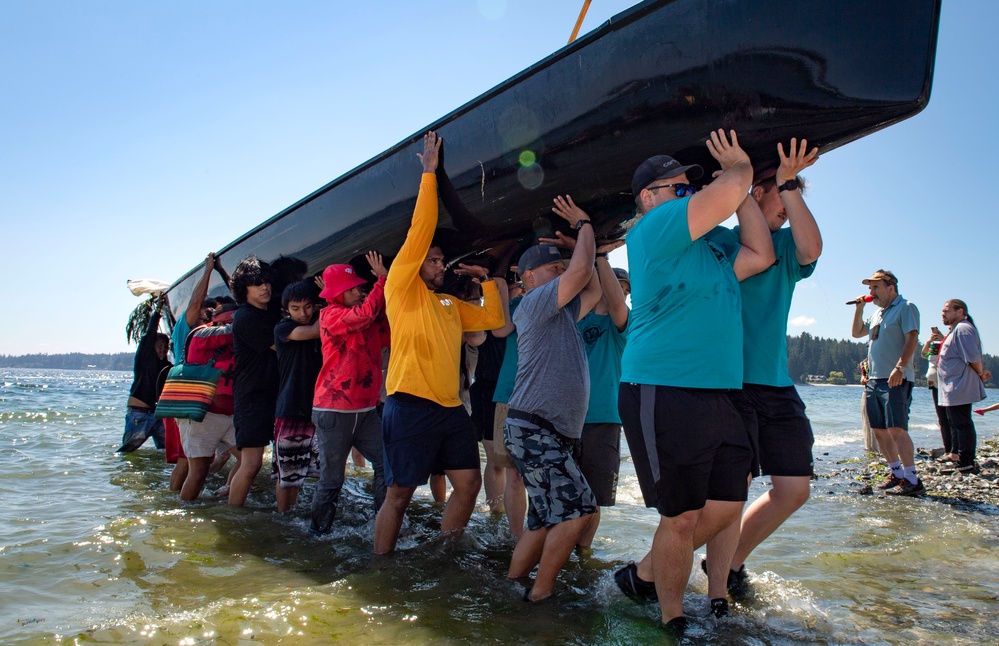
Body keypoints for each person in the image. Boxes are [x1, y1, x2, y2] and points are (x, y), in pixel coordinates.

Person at [613, 129, 775, 635]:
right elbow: (723, 194)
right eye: (678, 187)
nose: (688, 194)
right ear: (650, 197)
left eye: (691, 188)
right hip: (663, 387)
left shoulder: (713, 247)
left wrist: (743, 188)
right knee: (680, 517)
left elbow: (761, 253)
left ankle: (643, 574)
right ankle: (672, 618)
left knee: (727, 506)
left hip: (721, 391)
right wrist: (739, 170)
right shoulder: (652, 229)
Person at [373, 131, 505, 554]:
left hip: (451, 410)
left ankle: (442, 553)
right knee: (399, 494)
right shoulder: (401, 287)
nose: (439, 264)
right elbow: (421, 227)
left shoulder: (448, 302)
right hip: (408, 404)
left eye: (440, 260)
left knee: (469, 483)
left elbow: (492, 318)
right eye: (432, 259)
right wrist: (429, 174)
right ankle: (381, 565)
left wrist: (485, 280)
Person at [702, 138, 821, 600]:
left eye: (794, 200)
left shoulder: (789, 247)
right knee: (734, 490)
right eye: (782, 198)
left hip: (776, 383)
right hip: (730, 383)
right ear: (754, 192)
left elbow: (812, 248)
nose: (789, 211)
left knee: (794, 489)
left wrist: (789, 183)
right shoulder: (723, 243)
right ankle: (718, 590)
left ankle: (727, 561)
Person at [503, 194, 603, 602]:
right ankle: (539, 597)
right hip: (534, 428)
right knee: (579, 511)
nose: (561, 271)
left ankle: (510, 588)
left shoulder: (557, 309)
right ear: (527, 278)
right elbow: (580, 273)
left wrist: (595, 247)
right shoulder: (533, 302)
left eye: (560, 266)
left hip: (542, 431)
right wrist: (584, 227)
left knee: (543, 518)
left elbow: (592, 289)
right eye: (552, 267)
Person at [536, 230, 629, 551]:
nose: (619, 292)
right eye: (615, 284)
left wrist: (602, 256)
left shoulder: (621, 325)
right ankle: (554, 549)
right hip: (561, 419)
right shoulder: (571, 319)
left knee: (594, 497)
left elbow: (615, 303)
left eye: (624, 288)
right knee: (559, 492)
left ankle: (583, 553)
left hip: (602, 419)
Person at [311, 254, 390, 535]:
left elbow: (385, 330)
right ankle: (318, 534)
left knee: (386, 464)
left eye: (360, 287)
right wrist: (382, 280)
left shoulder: (363, 317)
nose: (359, 291)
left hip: (365, 411)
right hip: (334, 411)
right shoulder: (330, 315)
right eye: (353, 288)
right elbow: (365, 315)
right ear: (338, 293)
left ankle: (383, 524)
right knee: (332, 480)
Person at [851, 269, 923, 496]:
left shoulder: (906, 307)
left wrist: (900, 367)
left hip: (896, 377)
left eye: (875, 287)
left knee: (896, 429)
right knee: (879, 431)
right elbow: (856, 333)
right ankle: (897, 473)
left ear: (890, 287)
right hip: (874, 379)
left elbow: (912, 337)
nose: (871, 292)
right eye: (869, 288)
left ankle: (913, 480)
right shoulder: (877, 314)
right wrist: (859, 308)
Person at [166, 252, 231, 490]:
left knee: (207, 461)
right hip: (188, 398)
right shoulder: (188, 326)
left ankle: (204, 493)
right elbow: (195, 302)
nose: (211, 316)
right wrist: (208, 270)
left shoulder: (214, 334)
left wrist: (224, 273)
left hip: (207, 401)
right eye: (208, 311)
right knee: (185, 462)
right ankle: (177, 505)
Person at [228, 255, 281, 507]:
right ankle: (233, 513)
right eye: (257, 283)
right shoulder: (246, 317)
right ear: (244, 289)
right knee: (251, 464)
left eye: (267, 282)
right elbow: (280, 345)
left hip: (271, 395)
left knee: (255, 463)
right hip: (252, 398)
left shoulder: (268, 312)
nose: (264, 287)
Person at [177, 303, 239, 501]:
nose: (231, 324)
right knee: (199, 470)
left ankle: (228, 494)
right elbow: (231, 332)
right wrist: (252, 319)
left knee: (250, 461)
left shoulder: (238, 342)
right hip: (202, 414)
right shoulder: (202, 335)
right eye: (229, 321)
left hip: (230, 415)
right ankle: (182, 513)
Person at [273, 281, 322, 512]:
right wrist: (332, 299)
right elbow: (315, 331)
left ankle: (292, 517)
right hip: (291, 410)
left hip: (318, 409)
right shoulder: (282, 328)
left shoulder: (317, 320)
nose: (302, 313)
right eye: (295, 308)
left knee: (308, 475)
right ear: (286, 310)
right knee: (287, 478)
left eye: (307, 307)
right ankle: (283, 519)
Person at [931, 299, 991, 474]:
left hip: (960, 384)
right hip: (952, 385)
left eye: (947, 311)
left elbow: (973, 357)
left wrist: (980, 373)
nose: (943, 314)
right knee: (954, 421)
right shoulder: (955, 330)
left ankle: (967, 461)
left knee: (962, 422)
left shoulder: (964, 329)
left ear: (960, 311)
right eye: (942, 311)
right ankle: (956, 455)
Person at [118, 294, 172, 452]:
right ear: (152, 346)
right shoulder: (144, 358)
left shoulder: (167, 366)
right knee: (128, 451)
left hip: (158, 416)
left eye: (166, 346)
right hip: (139, 415)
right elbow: (149, 335)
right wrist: (158, 311)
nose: (163, 348)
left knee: (167, 451)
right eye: (160, 345)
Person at [921, 329, 952, 460]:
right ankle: (948, 448)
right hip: (935, 385)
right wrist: (929, 341)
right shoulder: (935, 346)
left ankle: (955, 449)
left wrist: (943, 338)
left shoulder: (949, 344)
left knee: (952, 418)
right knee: (942, 419)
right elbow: (924, 354)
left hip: (948, 385)